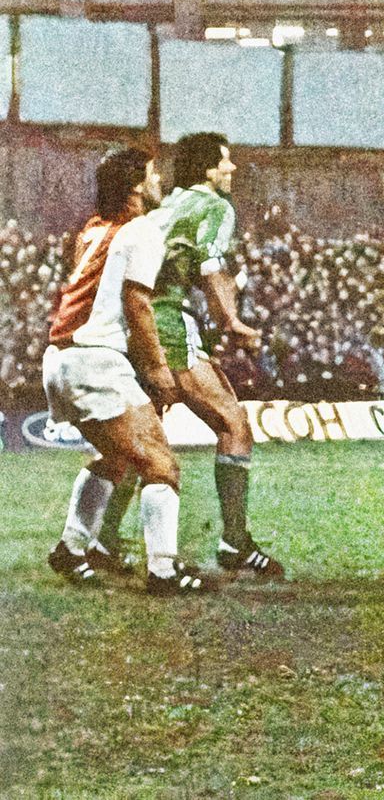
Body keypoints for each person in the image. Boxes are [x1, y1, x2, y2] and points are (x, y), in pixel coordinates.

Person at [94, 133, 285, 580]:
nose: (231, 169)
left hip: (136, 326)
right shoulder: (215, 207)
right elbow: (210, 265)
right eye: (225, 162)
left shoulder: (165, 206)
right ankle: (234, 541)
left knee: (142, 441)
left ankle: (100, 540)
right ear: (206, 170)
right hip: (168, 325)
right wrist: (233, 322)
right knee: (233, 424)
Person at [42, 147, 207, 595]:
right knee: (161, 465)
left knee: (116, 458)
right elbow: (137, 303)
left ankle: (71, 549)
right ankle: (164, 573)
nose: (160, 182)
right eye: (153, 174)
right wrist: (157, 368)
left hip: (60, 359)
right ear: (136, 186)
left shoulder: (93, 230)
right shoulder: (142, 231)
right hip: (94, 360)